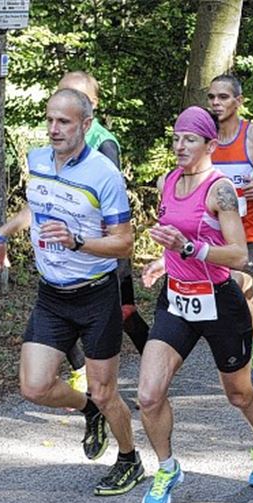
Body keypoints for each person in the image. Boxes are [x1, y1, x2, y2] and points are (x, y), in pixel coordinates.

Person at [0, 88, 141, 496]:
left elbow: (124, 243)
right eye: (50, 120)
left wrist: (77, 241)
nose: (54, 129)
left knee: (105, 389)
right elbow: (34, 209)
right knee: (34, 386)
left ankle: (130, 459)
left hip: (96, 295)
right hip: (52, 295)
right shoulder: (37, 160)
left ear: (86, 125)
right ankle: (88, 410)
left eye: (65, 122)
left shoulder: (104, 175)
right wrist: (2, 233)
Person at [136, 107, 253, 503]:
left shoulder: (221, 190)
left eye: (190, 139)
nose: (180, 146)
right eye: (177, 137)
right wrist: (165, 260)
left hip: (219, 300)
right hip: (177, 300)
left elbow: (238, 255)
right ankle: (167, 467)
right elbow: (177, 239)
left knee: (239, 394)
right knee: (149, 395)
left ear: (209, 145)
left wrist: (188, 248)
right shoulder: (169, 181)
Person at [55, 71, 150, 395]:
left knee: (125, 314)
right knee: (61, 308)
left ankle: (158, 366)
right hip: (69, 248)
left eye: (74, 95)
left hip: (102, 246)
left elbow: (112, 204)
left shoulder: (103, 143)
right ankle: (81, 371)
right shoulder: (58, 138)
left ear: (91, 106)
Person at [207, 75, 253, 385]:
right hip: (221, 232)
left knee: (237, 285)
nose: (216, 103)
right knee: (238, 290)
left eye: (223, 97)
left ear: (239, 101)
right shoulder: (205, 138)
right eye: (211, 97)